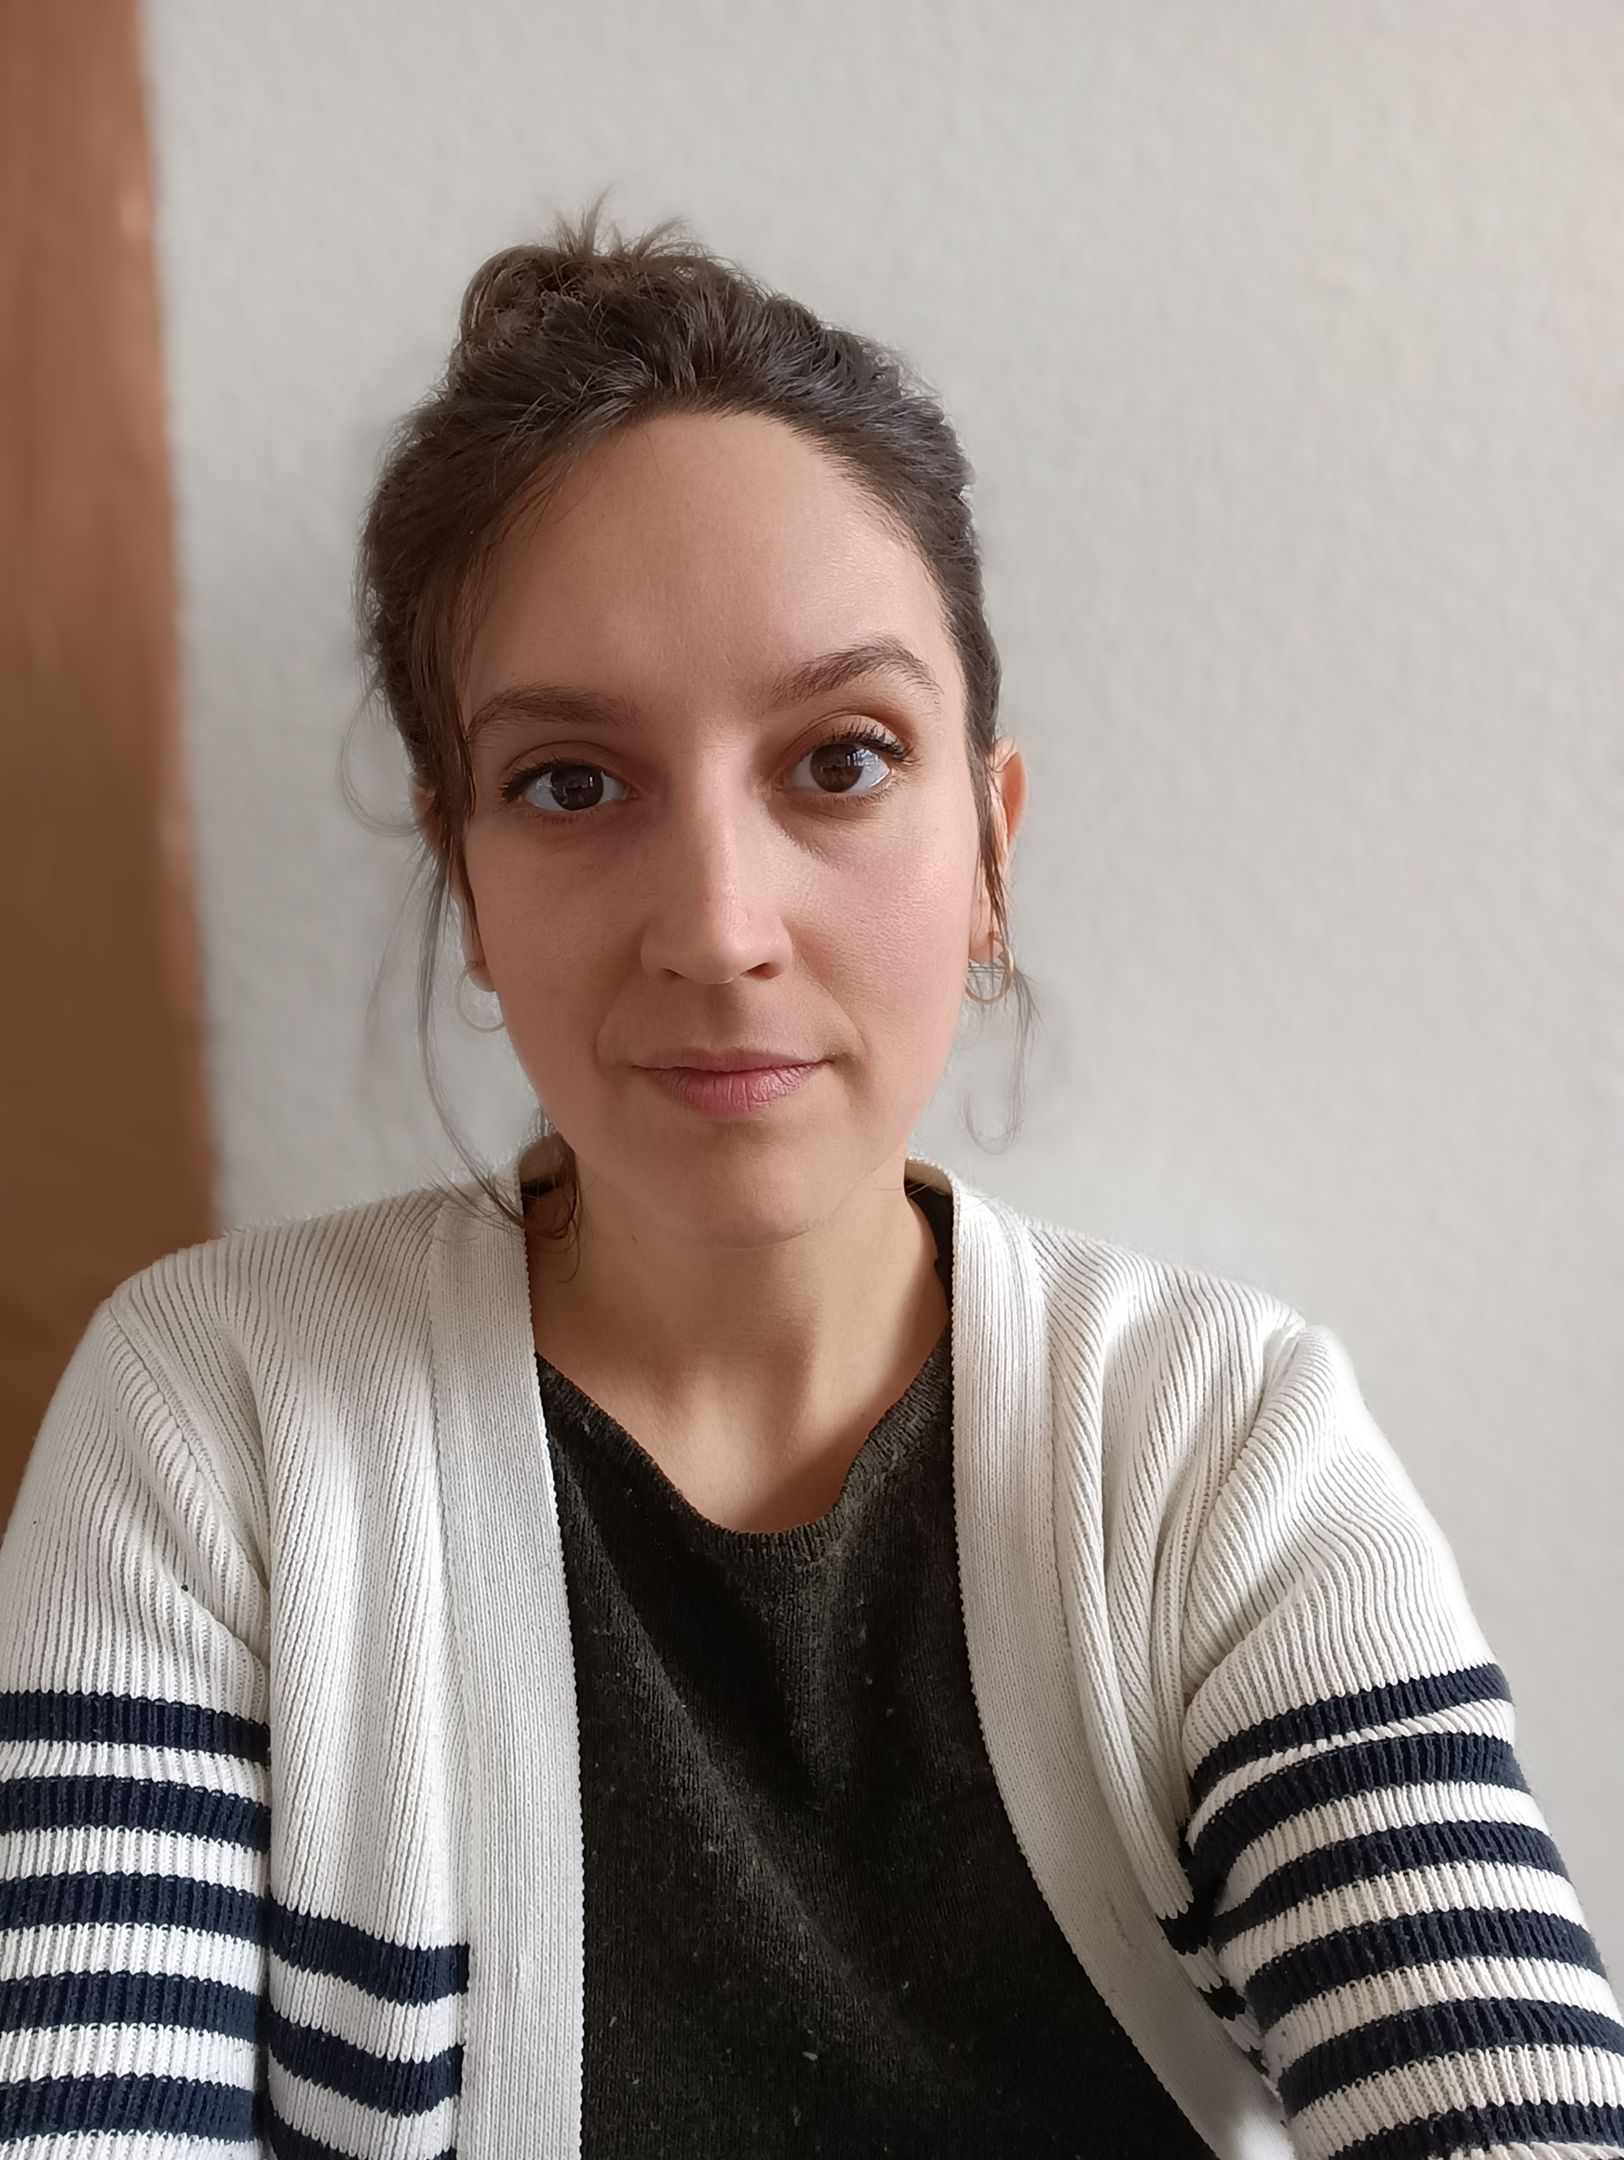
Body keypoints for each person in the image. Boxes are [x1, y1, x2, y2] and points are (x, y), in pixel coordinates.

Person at [2, 197, 1620, 2160]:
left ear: (990, 845)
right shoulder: (221, 1427)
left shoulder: (1212, 1450)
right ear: (466, 884)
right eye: (572, 783)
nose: (717, 925)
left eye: (839, 759)